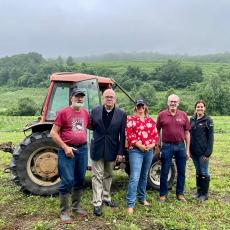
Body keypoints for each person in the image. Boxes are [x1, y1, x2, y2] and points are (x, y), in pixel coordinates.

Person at [50, 89, 90, 224]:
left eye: (81, 97)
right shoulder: (63, 112)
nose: (80, 99)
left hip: (83, 149)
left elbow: (91, 126)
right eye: (77, 96)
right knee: (67, 181)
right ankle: (64, 211)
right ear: (71, 98)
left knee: (80, 179)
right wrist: (65, 147)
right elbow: (53, 133)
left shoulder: (85, 113)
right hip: (67, 150)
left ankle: (76, 207)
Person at [90, 89, 126, 217]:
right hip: (97, 148)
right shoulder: (95, 111)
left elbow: (123, 135)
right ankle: (97, 203)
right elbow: (91, 126)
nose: (109, 99)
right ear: (103, 98)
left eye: (111, 97)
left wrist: (120, 152)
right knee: (96, 176)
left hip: (112, 149)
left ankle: (106, 197)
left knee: (108, 175)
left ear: (115, 99)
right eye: (107, 97)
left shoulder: (121, 114)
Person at [125, 99, 158, 214]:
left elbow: (155, 136)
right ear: (135, 108)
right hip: (136, 151)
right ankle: (130, 203)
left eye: (142, 107)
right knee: (135, 176)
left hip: (148, 151)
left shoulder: (151, 121)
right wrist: (139, 145)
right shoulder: (131, 120)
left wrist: (151, 145)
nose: (140, 109)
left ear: (145, 108)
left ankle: (142, 198)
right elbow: (129, 135)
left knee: (144, 175)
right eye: (138, 107)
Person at [156, 94, 190, 203]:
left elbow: (187, 132)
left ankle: (180, 194)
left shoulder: (183, 115)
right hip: (167, 146)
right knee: (164, 171)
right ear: (168, 102)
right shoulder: (161, 115)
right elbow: (157, 131)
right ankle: (163, 195)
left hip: (180, 146)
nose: (173, 103)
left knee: (181, 171)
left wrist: (187, 149)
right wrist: (158, 146)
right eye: (171, 101)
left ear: (178, 103)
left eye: (175, 101)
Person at [190, 100, 214, 201]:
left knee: (204, 172)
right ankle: (199, 192)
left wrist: (208, 153)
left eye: (201, 107)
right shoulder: (192, 119)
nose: (199, 108)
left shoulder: (208, 120)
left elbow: (211, 138)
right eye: (198, 107)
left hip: (203, 153)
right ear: (195, 108)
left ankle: (204, 194)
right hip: (194, 152)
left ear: (204, 108)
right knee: (198, 171)